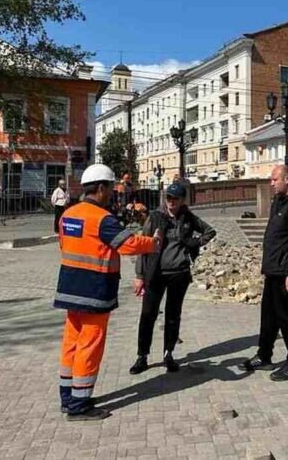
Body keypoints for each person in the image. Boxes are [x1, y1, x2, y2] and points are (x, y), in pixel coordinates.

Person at [54, 163, 161, 421]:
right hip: (94, 290)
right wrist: (153, 243)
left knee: (71, 343)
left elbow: (64, 244)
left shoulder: (68, 214)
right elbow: (129, 244)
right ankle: (80, 406)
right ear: (101, 188)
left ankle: (68, 398)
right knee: (90, 346)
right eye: (111, 189)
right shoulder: (103, 219)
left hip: (69, 288)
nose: (113, 193)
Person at [130, 181, 216, 375]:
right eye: (168, 198)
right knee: (148, 315)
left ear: (182, 200)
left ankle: (169, 354)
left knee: (172, 315)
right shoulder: (155, 217)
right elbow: (142, 247)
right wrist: (139, 275)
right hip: (156, 273)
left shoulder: (187, 218)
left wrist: (194, 243)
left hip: (179, 274)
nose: (171, 202)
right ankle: (142, 356)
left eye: (175, 199)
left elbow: (209, 231)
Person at [241, 165, 288, 381]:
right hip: (273, 269)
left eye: (274, 180)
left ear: (287, 179)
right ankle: (264, 355)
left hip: (286, 272)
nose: (271, 184)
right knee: (269, 317)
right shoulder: (278, 201)